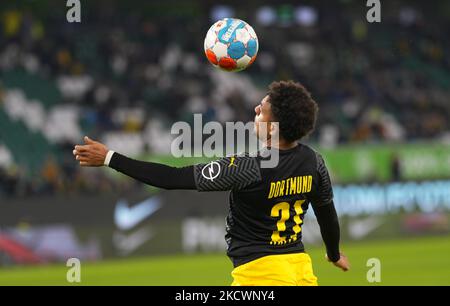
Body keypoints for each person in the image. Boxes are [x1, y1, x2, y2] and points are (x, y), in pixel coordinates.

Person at [73, 80, 350, 286]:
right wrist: (334, 253)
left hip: (260, 278)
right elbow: (327, 212)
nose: (255, 108)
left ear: (274, 125)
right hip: (301, 272)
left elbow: (171, 178)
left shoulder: (247, 167)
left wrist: (110, 158)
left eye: (262, 109)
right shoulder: (314, 162)